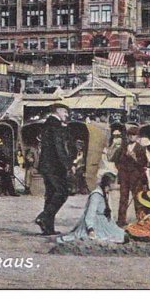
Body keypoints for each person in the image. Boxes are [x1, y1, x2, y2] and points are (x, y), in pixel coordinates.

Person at [35, 102, 73, 235]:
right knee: (62, 192)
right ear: (58, 111)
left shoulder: (47, 124)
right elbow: (59, 148)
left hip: (46, 165)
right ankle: (44, 216)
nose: (66, 115)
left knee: (51, 195)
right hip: (54, 166)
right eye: (65, 112)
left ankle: (47, 228)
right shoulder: (55, 125)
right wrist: (67, 165)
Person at [57, 172, 125, 244]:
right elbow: (90, 212)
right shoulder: (96, 195)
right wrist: (90, 229)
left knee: (122, 235)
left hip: (104, 222)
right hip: (96, 223)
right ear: (109, 183)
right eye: (114, 183)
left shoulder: (106, 194)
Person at [115, 125, 149, 226]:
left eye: (133, 135)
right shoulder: (123, 148)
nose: (131, 137)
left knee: (138, 199)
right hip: (125, 177)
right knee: (123, 199)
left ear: (137, 137)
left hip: (136, 178)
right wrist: (121, 170)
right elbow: (116, 160)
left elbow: (144, 163)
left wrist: (134, 158)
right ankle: (121, 220)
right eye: (129, 135)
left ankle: (140, 219)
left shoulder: (141, 149)